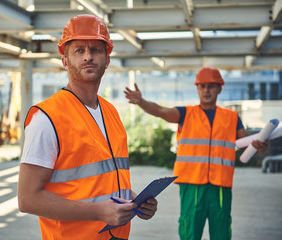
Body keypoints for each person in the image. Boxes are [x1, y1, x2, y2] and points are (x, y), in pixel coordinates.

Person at [18, 14, 158, 240]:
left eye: (96, 49)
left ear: (107, 59)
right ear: (65, 60)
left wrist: (134, 201)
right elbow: (27, 199)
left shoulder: (110, 112)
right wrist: (99, 212)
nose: (88, 57)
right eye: (79, 51)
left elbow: (102, 180)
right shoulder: (46, 118)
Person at [124, 66, 268, 240]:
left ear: (219, 88)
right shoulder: (186, 114)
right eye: (202, 86)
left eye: (211, 86)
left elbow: (248, 146)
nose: (206, 90)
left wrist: (259, 147)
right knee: (190, 229)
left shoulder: (232, 117)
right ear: (197, 88)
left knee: (221, 230)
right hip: (191, 184)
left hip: (220, 184)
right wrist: (141, 102)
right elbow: (160, 111)